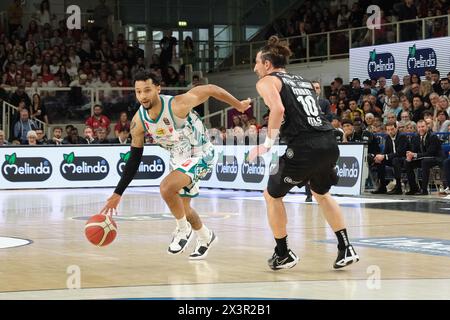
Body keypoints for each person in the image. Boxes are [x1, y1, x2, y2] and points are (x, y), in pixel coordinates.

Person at [100, 70, 250, 260]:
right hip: (178, 158)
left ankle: (182, 229)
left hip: (201, 153)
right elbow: (135, 157)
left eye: (147, 90)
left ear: (158, 88)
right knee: (184, 209)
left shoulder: (178, 104)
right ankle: (205, 236)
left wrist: (238, 105)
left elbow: (210, 89)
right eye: (138, 92)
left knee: (166, 188)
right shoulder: (138, 121)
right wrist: (118, 192)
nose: (143, 96)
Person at [249, 36, 359, 270]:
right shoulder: (301, 80)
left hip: (304, 146)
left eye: (257, 62)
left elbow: (278, 109)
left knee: (271, 196)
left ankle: (283, 253)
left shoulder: (267, 81)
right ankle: (346, 247)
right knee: (321, 193)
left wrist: (267, 143)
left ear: (267, 64)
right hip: (328, 142)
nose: (254, 67)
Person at [370, 121, 409, 195]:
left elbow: (400, 153)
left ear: (396, 128)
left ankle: (398, 188)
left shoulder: (402, 136)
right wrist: (380, 157)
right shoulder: (388, 138)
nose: (390, 131)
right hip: (393, 158)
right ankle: (382, 187)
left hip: (404, 159)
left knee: (395, 160)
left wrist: (384, 156)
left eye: (392, 129)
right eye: (388, 130)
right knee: (380, 161)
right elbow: (385, 152)